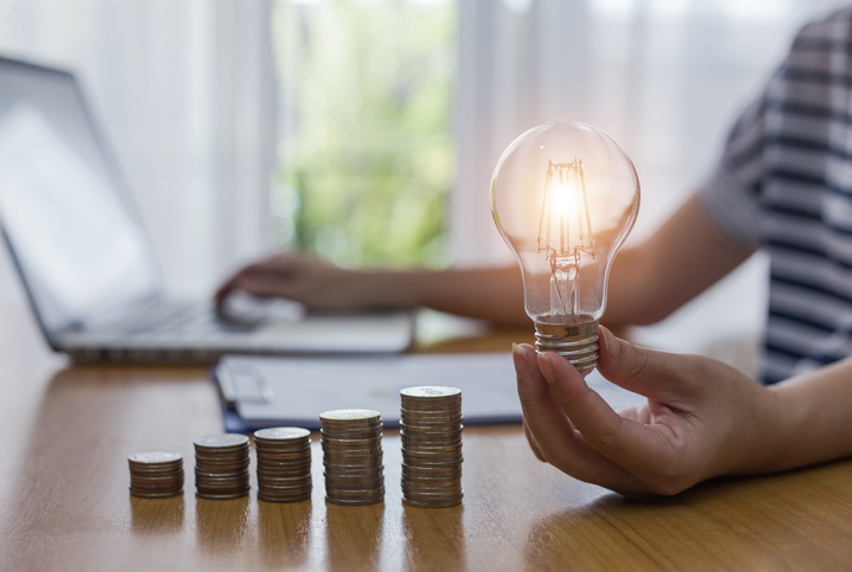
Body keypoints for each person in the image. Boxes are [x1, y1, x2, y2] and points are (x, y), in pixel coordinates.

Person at [217, 8, 852, 495]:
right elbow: (652, 275)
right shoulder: (819, 61)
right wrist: (371, 284)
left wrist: (772, 423)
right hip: (763, 481)